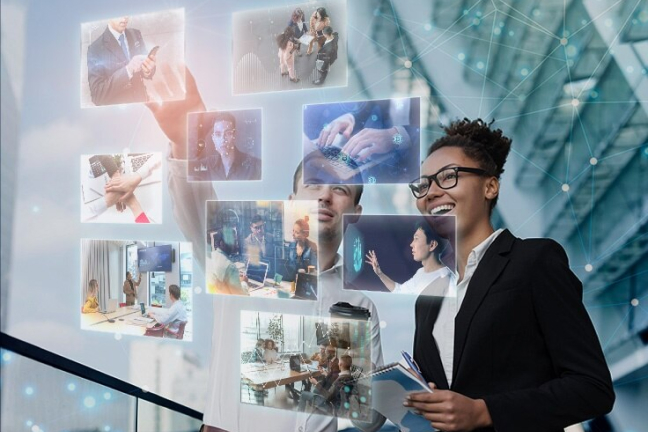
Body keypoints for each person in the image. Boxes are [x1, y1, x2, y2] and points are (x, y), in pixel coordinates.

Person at [147, 68, 384, 432]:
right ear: (291, 199)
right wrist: (184, 139)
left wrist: (369, 390)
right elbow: (194, 205)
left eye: (340, 190)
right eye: (315, 184)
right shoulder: (242, 258)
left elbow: (365, 420)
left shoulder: (362, 307)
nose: (324, 195)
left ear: (355, 213)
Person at [403, 118, 614, 431]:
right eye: (423, 185)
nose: (431, 193)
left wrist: (484, 411)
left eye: (448, 177)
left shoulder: (533, 261)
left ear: (490, 186)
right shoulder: (427, 298)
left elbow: (592, 388)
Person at [365, 220, 451, 295]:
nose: (411, 244)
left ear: (432, 245)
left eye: (416, 239)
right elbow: (400, 291)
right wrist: (380, 273)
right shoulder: (420, 273)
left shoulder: (446, 279)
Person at [87, 16, 156, 106]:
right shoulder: (95, 49)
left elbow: (145, 69)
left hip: (143, 102)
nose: (124, 19)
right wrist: (128, 70)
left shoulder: (135, 34)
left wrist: (148, 70)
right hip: (119, 113)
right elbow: (97, 95)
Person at [191, 112, 262, 181]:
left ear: (234, 135)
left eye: (228, 133)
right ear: (213, 138)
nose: (223, 139)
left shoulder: (256, 167)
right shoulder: (206, 164)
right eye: (218, 134)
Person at [207, 228, 248, 296]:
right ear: (222, 243)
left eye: (235, 241)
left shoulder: (211, 256)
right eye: (232, 241)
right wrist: (244, 282)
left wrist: (236, 279)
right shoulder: (230, 266)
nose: (235, 245)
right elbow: (240, 295)